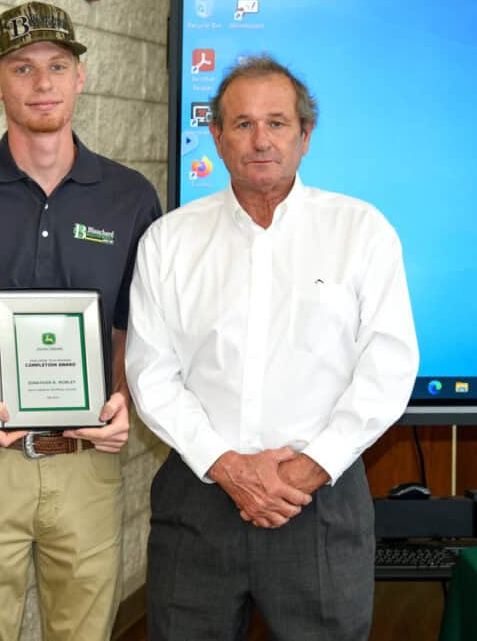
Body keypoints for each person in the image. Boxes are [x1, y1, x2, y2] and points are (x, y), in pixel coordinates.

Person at [125, 55, 419, 640]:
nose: (261, 140)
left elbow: (388, 366)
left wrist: (312, 467)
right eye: (242, 124)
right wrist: (228, 466)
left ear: (305, 136)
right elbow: (151, 372)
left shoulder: (361, 232)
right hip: (201, 497)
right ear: (216, 135)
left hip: (321, 502)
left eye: (278, 123)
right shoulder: (169, 241)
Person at [0, 2, 162, 640]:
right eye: (22, 68)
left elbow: (134, 323)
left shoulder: (129, 196)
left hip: (86, 462)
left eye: (58, 66)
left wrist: (121, 397)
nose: (43, 82)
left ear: (80, 77)